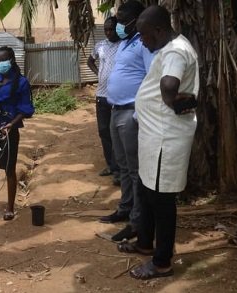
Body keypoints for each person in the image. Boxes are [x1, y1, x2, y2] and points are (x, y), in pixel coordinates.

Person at [117, 5, 199, 280]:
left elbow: (169, 85)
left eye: (143, 35)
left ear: (159, 30)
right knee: (146, 191)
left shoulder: (176, 50)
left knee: (162, 201)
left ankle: (162, 262)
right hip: (155, 138)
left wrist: (170, 100)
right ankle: (144, 242)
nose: (141, 40)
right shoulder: (169, 47)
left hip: (166, 138)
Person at [98, 0, 155, 242]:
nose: (118, 24)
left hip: (132, 112)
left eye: (122, 21)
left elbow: (152, 77)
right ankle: (125, 208)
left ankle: (136, 220)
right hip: (115, 109)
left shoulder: (144, 44)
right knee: (121, 166)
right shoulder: (124, 43)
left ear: (136, 20)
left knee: (134, 170)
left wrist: (138, 113)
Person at [0, 46, 35, 221]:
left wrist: (11, 124)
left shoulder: (21, 83)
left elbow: (26, 109)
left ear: (10, 60)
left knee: (9, 169)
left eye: (2, 61)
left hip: (10, 130)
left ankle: (10, 208)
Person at [87, 16, 121, 186]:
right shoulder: (100, 45)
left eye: (112, 29)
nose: (108, 32)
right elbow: (90, 60)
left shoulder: (124, 45)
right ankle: (110, 165)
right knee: (103, 131)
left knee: (117, 133)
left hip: (117, 97)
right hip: (101, 95)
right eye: (106, 29)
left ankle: (118, 169)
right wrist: (99, 74)